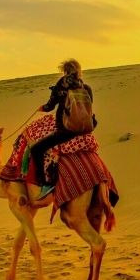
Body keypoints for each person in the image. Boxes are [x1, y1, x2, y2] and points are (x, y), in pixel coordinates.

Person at [27, 59, 96, 199]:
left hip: (66, 130)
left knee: (36, 149)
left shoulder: (61, 85)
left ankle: (44, 184)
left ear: (64, 71)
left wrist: (43, 108)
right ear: (79, 71)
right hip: (87, 127)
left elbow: (50, 106)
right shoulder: (86, 87)